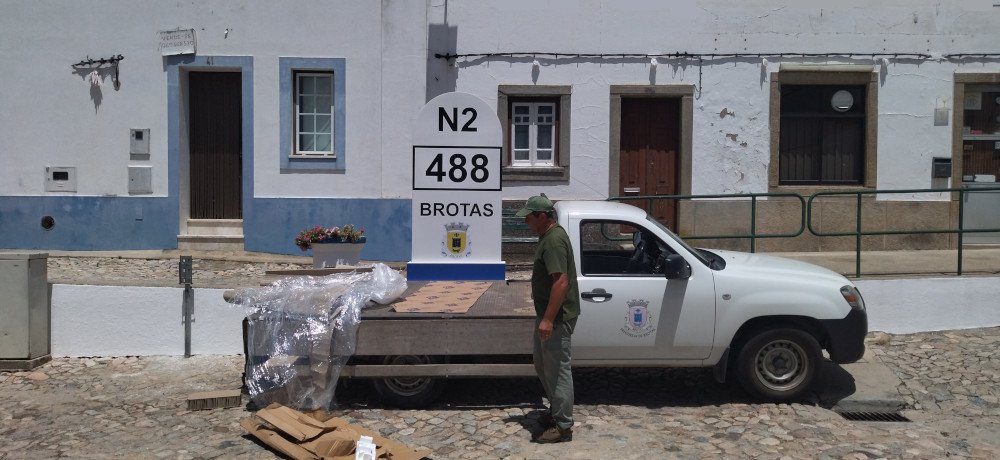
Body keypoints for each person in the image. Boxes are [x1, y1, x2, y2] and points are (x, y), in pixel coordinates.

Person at [514, 194, 580, 444]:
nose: (526, 222)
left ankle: (563, 427)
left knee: (557, 371)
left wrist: (549, 319)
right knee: (543, 365)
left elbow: (561, 281)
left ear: (542, 217)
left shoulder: (553, 241)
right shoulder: (548, 236)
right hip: (548, 315)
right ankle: (555, 412)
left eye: (529, 218)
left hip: (556, 318)